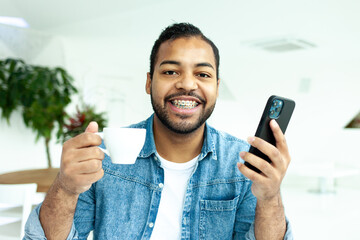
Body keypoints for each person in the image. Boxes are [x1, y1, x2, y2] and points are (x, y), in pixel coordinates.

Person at [24, 23, 293, 240]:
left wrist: (270, 197)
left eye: (203, 74)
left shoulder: (243, 163)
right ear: (149, 82)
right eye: (171, 71)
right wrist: (66, 188)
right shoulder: (104, 157)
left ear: (217, 87)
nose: (187, 84)